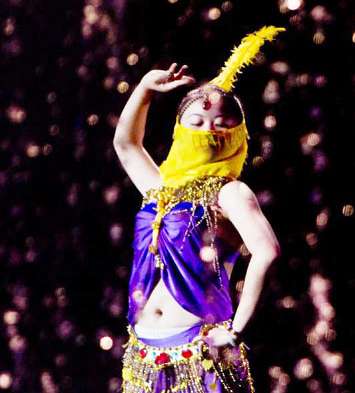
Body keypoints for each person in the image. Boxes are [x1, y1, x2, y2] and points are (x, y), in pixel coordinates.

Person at [113, 26, 285, 392]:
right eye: (197, 123)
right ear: (180, 131)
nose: (208, 132)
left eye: (222, 126)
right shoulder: (162, 190)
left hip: (200, 351)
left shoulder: (231, 193)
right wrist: (144, 87)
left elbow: (267, 252)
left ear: (238, 136)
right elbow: (126, 145)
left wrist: (236, 332)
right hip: (143, 353)